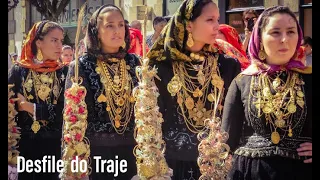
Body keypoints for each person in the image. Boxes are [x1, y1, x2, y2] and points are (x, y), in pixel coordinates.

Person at [147, 0, 242, 179]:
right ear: (189, 25)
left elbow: (237, 118)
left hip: (217, 164)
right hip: (170, 164)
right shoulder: (160, 67)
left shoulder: (227, 66)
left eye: (218, 19)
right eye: (210, 20)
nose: (217, 26)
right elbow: (151, 120)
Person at [222, 6, 312, 180]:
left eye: (291, 32)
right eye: (275, 32)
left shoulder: (309, 79)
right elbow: (227, 140)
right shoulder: (242, 81)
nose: (285, 39)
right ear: (260, 38)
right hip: (251, 172)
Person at [65, 4, 140, 179]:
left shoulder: (135, 63)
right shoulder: (81, 65)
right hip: (97, 155)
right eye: (110, 25)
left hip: (134, 151)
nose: (117, 31)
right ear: (96, 31)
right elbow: (72, 118)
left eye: (121, 25)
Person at [8, 20, 67, 180]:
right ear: (39, 42)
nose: (59, 46)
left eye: (61, 41)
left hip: (56, 146)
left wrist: (28, 107)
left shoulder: (65, 72)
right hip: (25, 147)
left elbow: (66, 112)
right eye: (54, 40)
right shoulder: (19, 71)